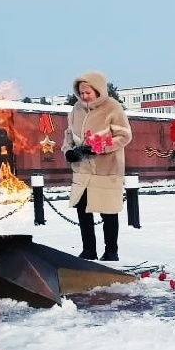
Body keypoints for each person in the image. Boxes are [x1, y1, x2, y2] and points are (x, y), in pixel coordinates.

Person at [62, 71, 132, 261]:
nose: (84, 97)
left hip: (106, 170)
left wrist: (100, 147)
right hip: (82, 171)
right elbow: (68, 136)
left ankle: (111, 252)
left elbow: (124, 136)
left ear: (98, 90)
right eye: (81, 93)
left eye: (88, 93)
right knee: (83, 211)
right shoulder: (76, 109)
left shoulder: (112, 107)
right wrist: (68, 151)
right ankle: (88, 250)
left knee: (107, 211)